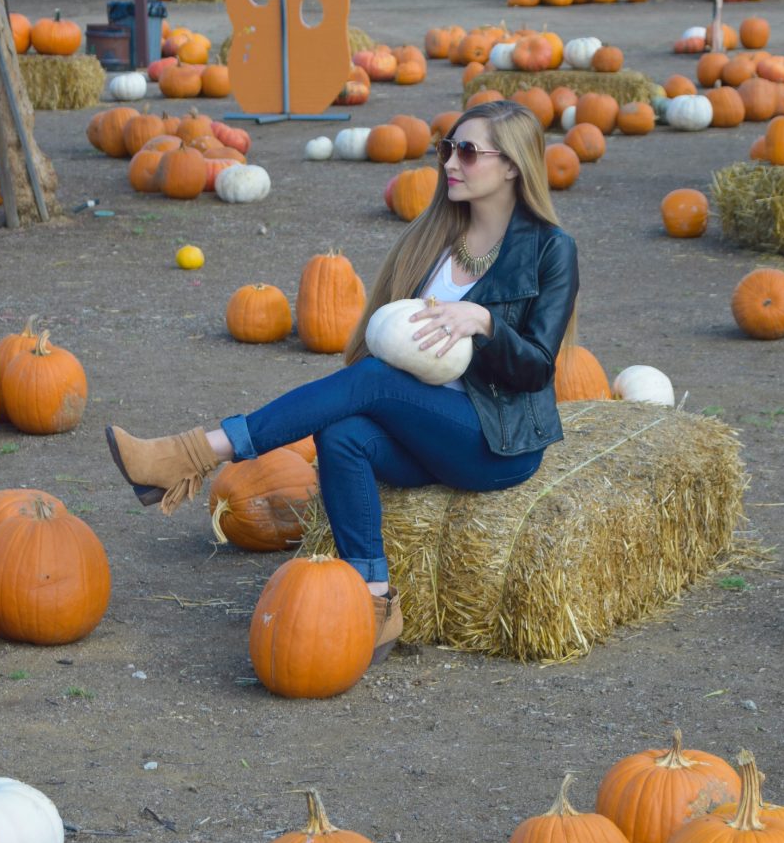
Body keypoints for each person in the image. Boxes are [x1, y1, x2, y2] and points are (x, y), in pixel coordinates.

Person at [106, 100, 579, 664]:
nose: (451, 161)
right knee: (342, 435)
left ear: (512, 167)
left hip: (494, 440)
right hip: (420, 432)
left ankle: (196, 453)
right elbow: (381, 339)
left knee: (374, 381)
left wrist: (483, 322)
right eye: (447, 148)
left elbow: (537, 366)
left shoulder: (551, 249)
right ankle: (374, 603)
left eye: (469, 152)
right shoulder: (430, 238)